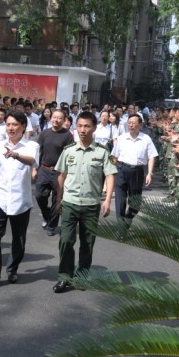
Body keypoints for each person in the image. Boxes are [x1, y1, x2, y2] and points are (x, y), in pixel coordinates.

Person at [53, 111, 117, 293]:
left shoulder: (103, 152)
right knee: (65, 241)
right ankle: (64, 276)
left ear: (94, 128)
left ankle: (81, 277)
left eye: (87, 126)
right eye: (80, 126)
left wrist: (108, 201)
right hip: (70, 202)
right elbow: (61, 175)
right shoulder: (68, 150)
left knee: (87, 243)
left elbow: (110, 175)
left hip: (91, 204)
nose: (82, 130)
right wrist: (58, 199)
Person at [0, 111, 39, 289]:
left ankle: (12, 269)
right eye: (8, 124)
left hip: (21, 201)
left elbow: (31, 161)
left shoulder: (31, 146)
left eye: (14, 124)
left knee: (18, 240)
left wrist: (16, 155)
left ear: (22, 126)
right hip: (0, 198)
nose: (11, 128)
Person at [33, 109, 74, 236]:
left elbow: (70, 155)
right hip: (44, 169)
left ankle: (52, 225)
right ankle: (46, 216)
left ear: (64, 120)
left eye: (59, 118)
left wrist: (68, 173)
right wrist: (34, 168)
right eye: (54, 117)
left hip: (59, 172)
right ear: (51, 118)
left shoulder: (68, 136)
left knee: (57, 199)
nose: (56, 120)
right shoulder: (44, 133)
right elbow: (38, 151)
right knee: (39, 195)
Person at [110, 114, 158, 219]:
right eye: (129, 123)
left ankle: (127, 221)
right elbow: (113, 156)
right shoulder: (121, 138)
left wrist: (149, 173)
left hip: (137, 172)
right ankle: (121, 228)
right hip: (122, 170)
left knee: (135, 203)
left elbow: (152, 156)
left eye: (134, 123)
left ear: (140, 125)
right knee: (120, 201)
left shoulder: (146, 139)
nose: (131, 125)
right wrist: (111, 171)